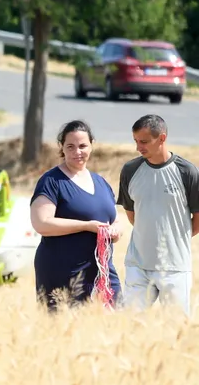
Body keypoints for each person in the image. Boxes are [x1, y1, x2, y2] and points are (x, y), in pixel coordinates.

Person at [31, 120, 122, 310]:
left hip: (101, 273)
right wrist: (86, 226)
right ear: (61, 148)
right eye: (70, 147)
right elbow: (42, 223)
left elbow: (115, 220)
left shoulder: (101, 182)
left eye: (82, 146)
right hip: (62, 272)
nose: (77, 152)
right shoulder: (51, 181)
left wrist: (115, 231)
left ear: (92, 145)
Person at [117, 114, 199, 317]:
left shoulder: (187, 172)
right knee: (129, 326)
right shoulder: (130, 170)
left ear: (161, 138)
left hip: (174, 268)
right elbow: (131, 213)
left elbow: (198, 218)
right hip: (138, 265)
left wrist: (174, 238)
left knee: (175, 328)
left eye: (144, 141)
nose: (138, 147)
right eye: (135, 141)